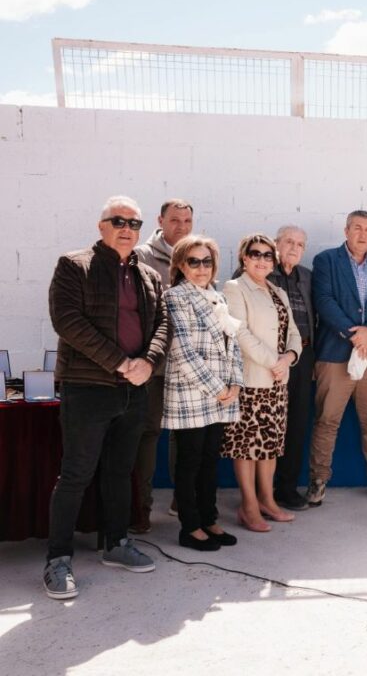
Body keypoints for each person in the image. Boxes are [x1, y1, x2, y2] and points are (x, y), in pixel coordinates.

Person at [44, 196, 168, 600]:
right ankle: (58, 560)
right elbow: (67, 321)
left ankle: (115, 543)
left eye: (134, 223)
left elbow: (162, 325)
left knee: (120, 471)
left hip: (134, 390)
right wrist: (120, 362)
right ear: (102, 226)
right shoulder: (74, 265)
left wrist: (148, 363)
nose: (127, 228)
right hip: (88, 388)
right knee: (76, 474)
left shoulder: (149, 275)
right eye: (118, 221)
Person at [307, 210, 367, 505]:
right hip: (335, 354)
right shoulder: (326, 261)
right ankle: (318, 480)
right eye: (357, 228)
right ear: (346, 231)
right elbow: (324, 301)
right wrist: (353, 334)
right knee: (327, 420)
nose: (363, 234)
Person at [162, 235, 242, 551]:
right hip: (192, 393)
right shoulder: (175, 297)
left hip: (221, 394)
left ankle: (209, 519)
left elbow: (233, 344)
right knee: (190, 461)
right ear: (181, 265)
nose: (201, 267)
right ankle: (190, 526)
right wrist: (218, 388)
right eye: (193, 261)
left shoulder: (218, 297)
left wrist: (235, 383)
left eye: (206, 261)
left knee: (210, 460)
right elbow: (182, 351)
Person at [222, 234, 303, 531]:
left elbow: (294, 333)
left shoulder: (278, 291)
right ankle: (249, 506)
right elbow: (240, 333)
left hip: (277, 381)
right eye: (255, 254)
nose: (262, 260)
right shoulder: (234, 288)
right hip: (251, 380)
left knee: (270, 444)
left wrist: (289, 357)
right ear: (244, 258)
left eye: (268, 255)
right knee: (246, 446)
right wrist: (274, 362)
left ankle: (267, 500)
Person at [131, 198, 195, 532]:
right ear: (160, 221)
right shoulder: (142, 256)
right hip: (154, 363)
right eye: (174, 220)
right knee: (149, 433)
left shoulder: (196, 255)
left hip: (187, 365)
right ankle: (140, 508)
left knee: (184, 435)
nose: (181, 226)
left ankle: (182, 501)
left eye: (187, 221)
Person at [269, 225, 316, 511]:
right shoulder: (261, 269)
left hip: (303, 356)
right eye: (289, 242)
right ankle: (264, 491)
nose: (294, 248)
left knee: (297, 423)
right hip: (270, 359)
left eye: (300, 244)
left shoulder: (307, 276)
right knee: (269, 423)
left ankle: (287, 488)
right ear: (276, 244)